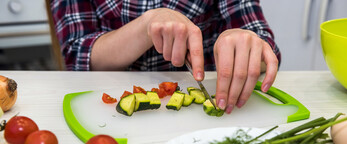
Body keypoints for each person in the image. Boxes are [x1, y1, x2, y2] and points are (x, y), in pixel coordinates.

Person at [50, 0, 281, 114]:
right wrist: (145, 26)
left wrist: (247, 41)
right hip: (109, 99)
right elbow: (76, 53)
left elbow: (262, 41)